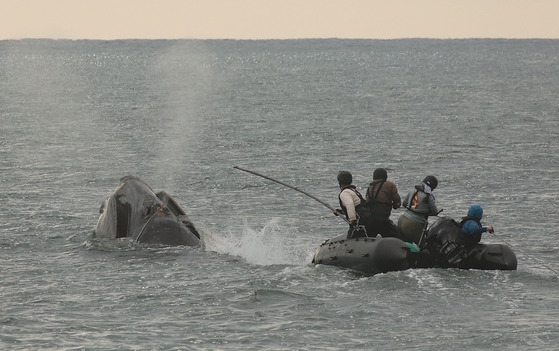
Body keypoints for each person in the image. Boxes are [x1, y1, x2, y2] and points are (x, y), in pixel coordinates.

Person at [397, 175, 440, 244]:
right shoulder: (429, 197)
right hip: (413, 224)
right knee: (421, 246)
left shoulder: (413, 190)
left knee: (401, 244)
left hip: (402, 220)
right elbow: (435, 212)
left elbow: (404, 204)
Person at [365, 168, 401, 238]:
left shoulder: (369, 188)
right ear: (385, 176)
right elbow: (397, 202)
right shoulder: (390, 185)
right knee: (396, 238)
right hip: (383, 219)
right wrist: (396, 205)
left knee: (370, 238)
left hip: (370, 219)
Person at [334, 170, 371, 239]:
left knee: (350, 239)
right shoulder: (354, 191)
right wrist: (341, 212)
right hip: (368, 218)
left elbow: (350, 205)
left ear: (340, 182)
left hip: (359, 221)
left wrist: (352, 221)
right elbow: (356, 207)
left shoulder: (345, 193)